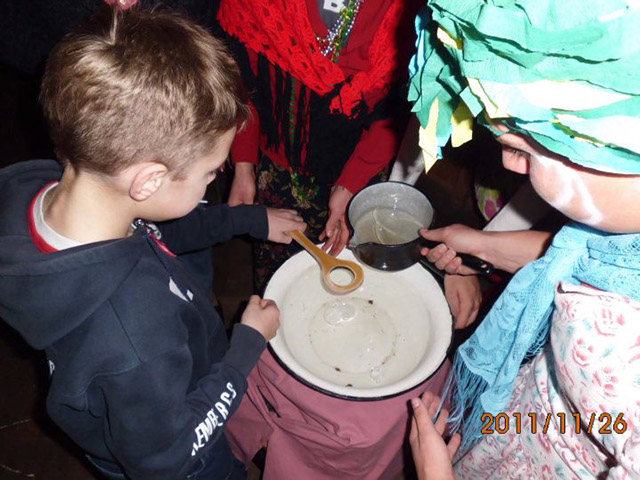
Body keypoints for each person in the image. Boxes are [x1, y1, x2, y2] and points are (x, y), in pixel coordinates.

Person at [0, 6, 307, 480]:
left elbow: (154, 230)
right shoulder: (137, 337)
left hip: (158, 396)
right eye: (211, 172)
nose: (215, 180)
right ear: (148, 181)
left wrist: (247, 219)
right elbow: (167, 458)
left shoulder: (51, 192)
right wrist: (245, 348)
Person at [406, 0, 640, 478]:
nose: (509, 164)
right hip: (521, 421)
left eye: (526, 148)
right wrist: (483, 245)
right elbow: (580, 262)